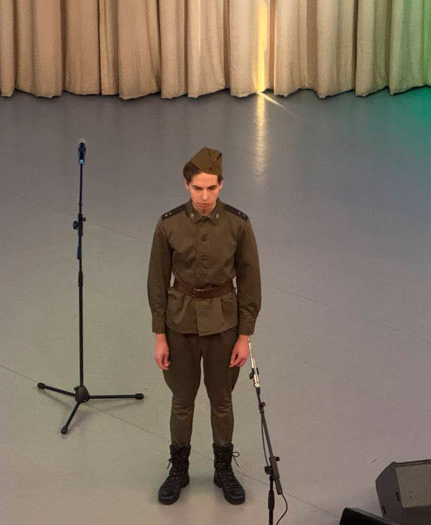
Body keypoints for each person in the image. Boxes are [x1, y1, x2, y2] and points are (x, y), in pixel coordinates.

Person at [147, 146, 261, 505]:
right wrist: (159, 336)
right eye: (198, 188)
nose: (205, 196)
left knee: (222, 401)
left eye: (212, 188)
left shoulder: (238, 225)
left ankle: (223, 468)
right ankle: (178, 469)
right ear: (187, 185)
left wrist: (244, 336)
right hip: (180, 323)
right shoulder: (168, 225)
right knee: (182, 400)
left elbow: (250, 281)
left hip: (224, 324)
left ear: (221, 185)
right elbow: (157, 282)